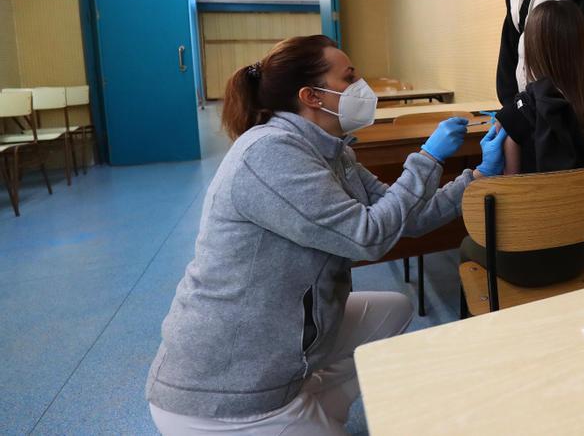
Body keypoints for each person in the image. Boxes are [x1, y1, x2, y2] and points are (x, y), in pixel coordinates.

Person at [146, 35, 506, 435]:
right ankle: (290, 409)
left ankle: (308, 398)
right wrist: (428, 158)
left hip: (283, 333)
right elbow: (367, 236)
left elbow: (408, 217)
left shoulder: (333, 150)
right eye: (349, 77)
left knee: (392, 310)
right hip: (224, 391)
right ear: (312, 96)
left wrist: (478, 177)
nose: (361, 86)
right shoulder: (269, 153)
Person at [462, 1, 584, 287]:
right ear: (582, 47)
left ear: (532, 50)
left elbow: (508, 202)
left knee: (466, 244)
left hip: (527, 260)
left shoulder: (516, 113)